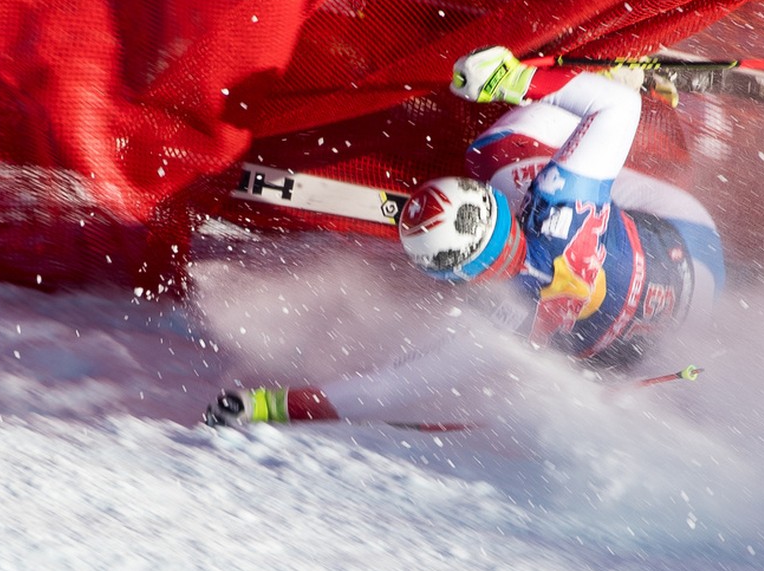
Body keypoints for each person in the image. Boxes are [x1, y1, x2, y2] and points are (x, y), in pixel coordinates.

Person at [205, 46, 725, 428]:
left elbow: (379, 392)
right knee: (496, 150)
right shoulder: (561, 200)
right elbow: (619, 108)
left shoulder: (494, 331)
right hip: (690, 242)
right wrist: (514, 79)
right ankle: (611, 73)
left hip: (677, 330)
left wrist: (262, 407)